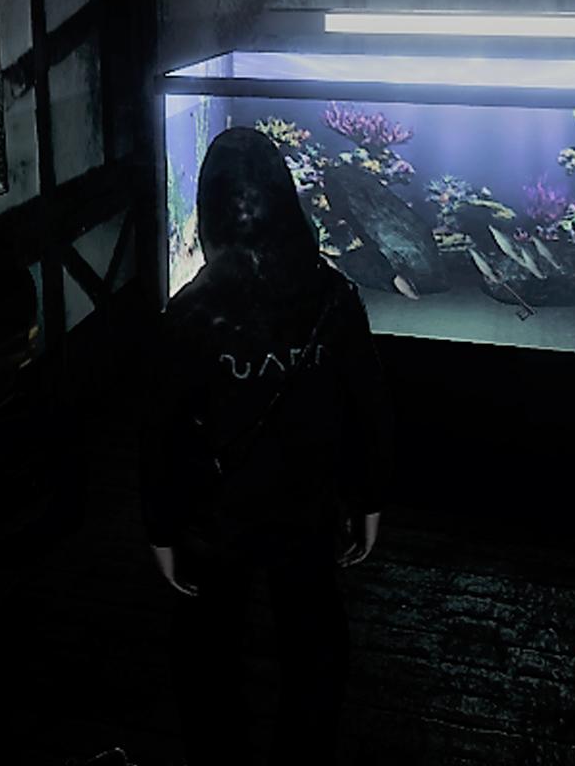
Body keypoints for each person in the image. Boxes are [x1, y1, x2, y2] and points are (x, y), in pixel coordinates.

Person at [140, 127, 394, 765]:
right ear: (288, 200)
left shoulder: (188, 312)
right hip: (307, 509)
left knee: (206, 651)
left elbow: (161, 431)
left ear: (209, 208)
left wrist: (162, 528)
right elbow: (368, 405)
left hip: (215, 517)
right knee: (314, 641)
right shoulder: (336, 297)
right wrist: (367, 497)